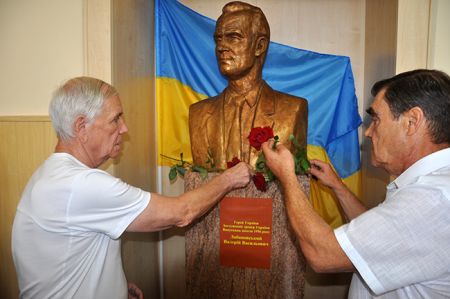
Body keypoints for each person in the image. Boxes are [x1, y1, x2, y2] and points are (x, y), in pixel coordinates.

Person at [11, 77, 251, 299]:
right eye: (115, 119)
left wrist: (115, 285)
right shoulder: (81, 185)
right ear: (82, 127)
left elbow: (66, 256)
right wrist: (229, 178)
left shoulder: (49, 173)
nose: (124, 128)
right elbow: (182, 212)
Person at [262, 69, 450, 298]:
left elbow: (323, 254)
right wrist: (337, 186)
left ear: (412, 122)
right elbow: (376, 239)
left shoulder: (432, 199)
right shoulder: (433, 190)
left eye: (377, 119)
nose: (369, 132)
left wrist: (287, 177)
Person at [189, 1, 308, 170]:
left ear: (259, 46)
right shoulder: (198, 114)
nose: (221, 47)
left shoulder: (293, 110)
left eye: (234, 37)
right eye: (218, 39)